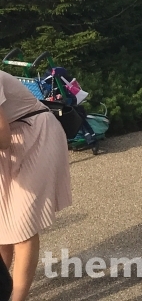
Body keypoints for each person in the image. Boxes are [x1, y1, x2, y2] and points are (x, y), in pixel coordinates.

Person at [0, 70, 72, 301]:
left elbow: (2, 135)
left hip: (35, 133)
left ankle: (17, 298)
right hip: (11, 140)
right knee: (2, 225)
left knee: (23, 224)